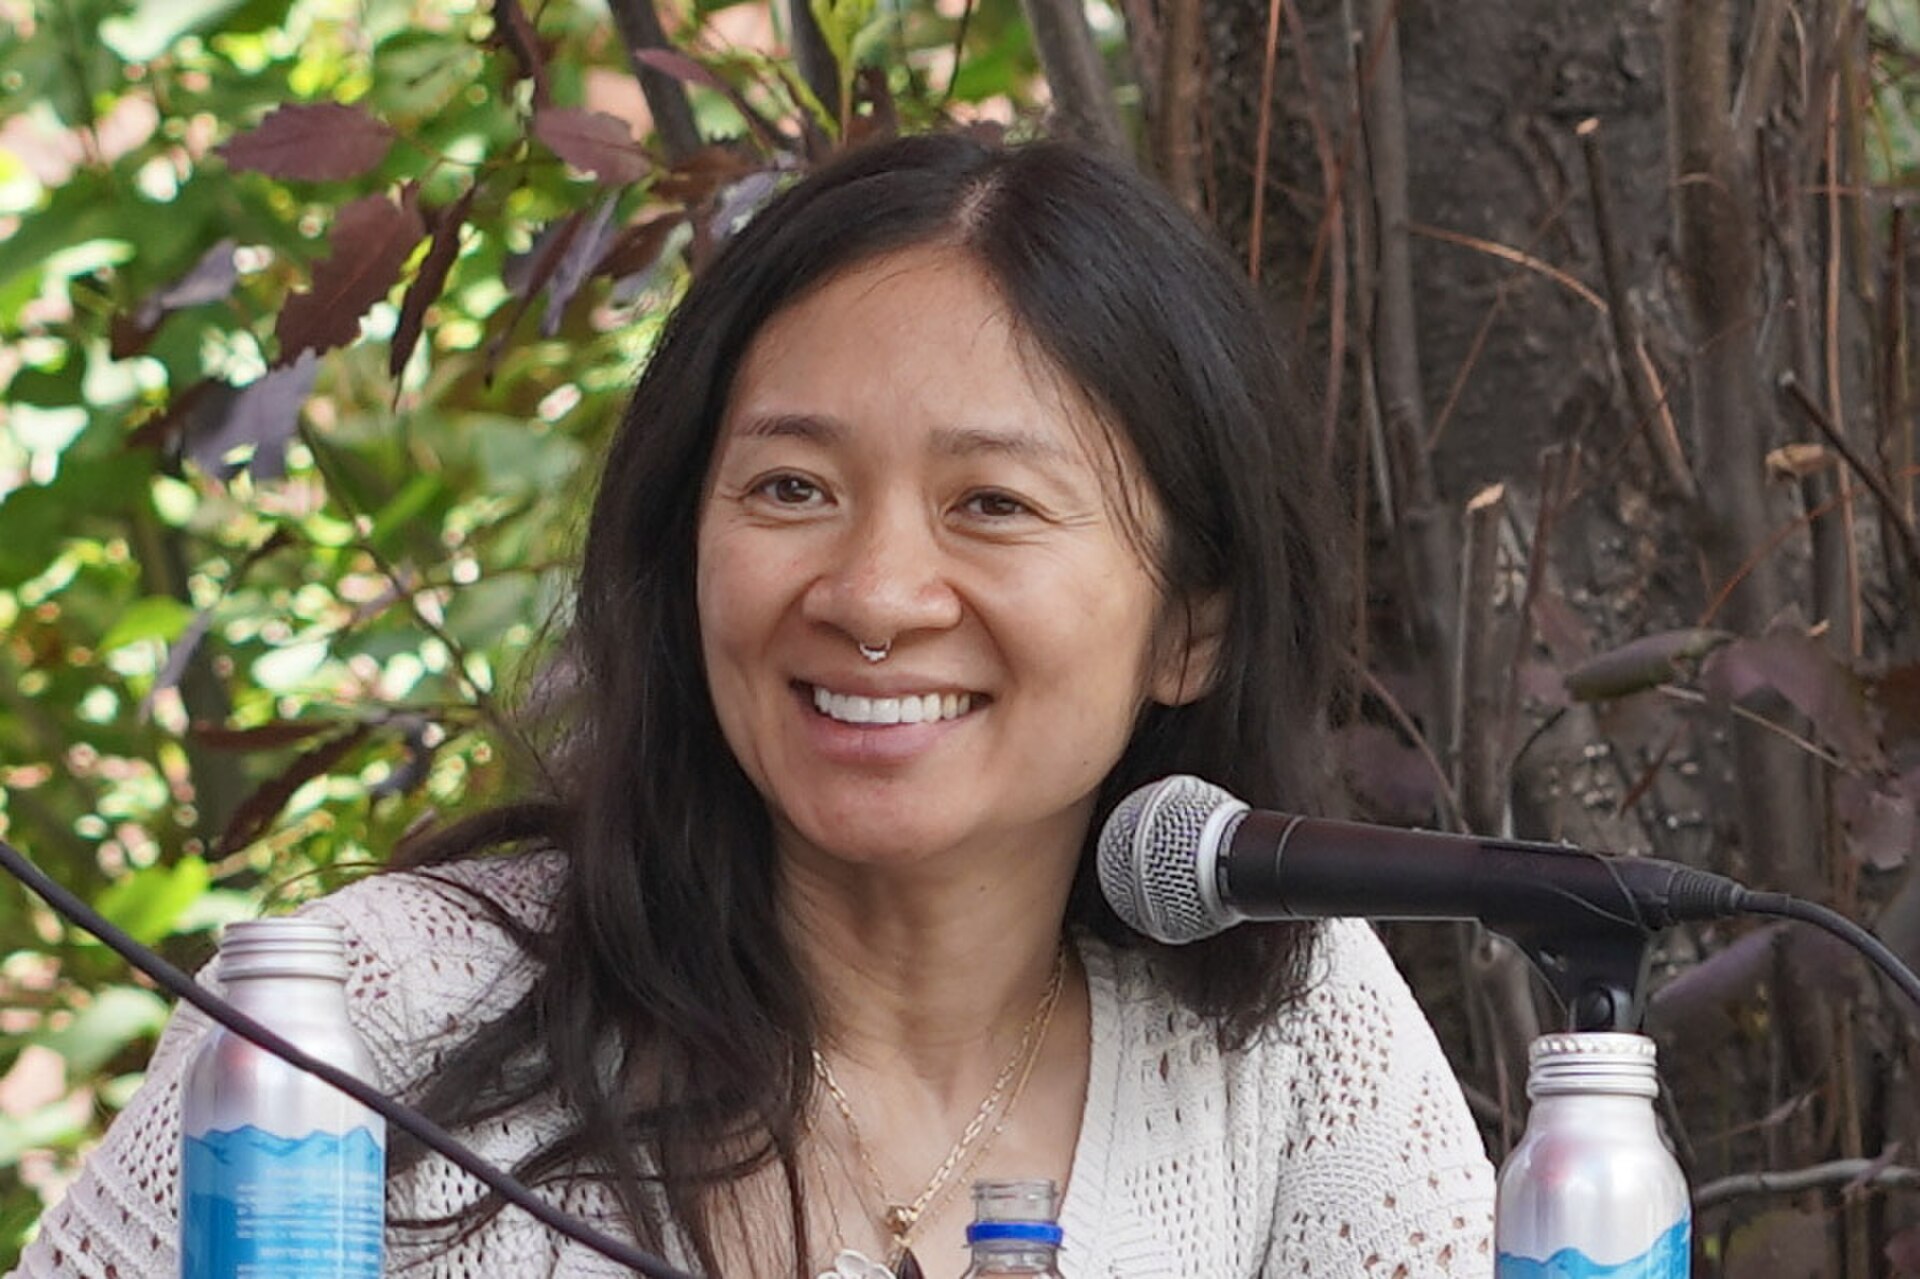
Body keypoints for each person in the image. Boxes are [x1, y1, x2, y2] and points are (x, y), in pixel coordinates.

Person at [13, 131, 1494, 1278]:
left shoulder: (1291, 1036)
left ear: (1192, 625)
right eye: (792, 488)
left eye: (991, 502)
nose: (873, 592)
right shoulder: (360, 1017)